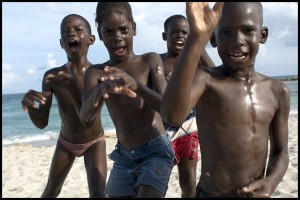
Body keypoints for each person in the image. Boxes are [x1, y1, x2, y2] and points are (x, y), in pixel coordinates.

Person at [161, 2, 290, 198]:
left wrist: (270, 183)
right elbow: (172, 116)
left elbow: (281, 152)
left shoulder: (278, 91)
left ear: (262, 35)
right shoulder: (206, 81)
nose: (237, 40)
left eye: (247, 30)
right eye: (226, 32)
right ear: (213, 39)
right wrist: (196, 38)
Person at [80, 2, 174, 198]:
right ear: (99, 33)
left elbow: (169, 110)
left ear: (134, 28)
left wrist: (137, 86)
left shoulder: (149, 61)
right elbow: (85, 117)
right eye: (109, 32)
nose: (117, 38)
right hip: (124, 157)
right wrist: (99, 91)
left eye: (123, 30)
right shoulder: (96, 73)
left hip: (155, 149)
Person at [21, 14, 107, 198]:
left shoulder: (99, 74)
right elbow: (42, 123)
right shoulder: (52, 77)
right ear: (61, 43)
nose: (71, 33)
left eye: (77, 30)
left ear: (91, 39)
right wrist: (30, 107)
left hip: (94, 142)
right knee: (51, 191)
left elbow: (88, 119)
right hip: (66, 142)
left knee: (98, 194)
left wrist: (72, 85)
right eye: (65, 31)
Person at [160, 14, 215, 198]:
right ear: (164, 36)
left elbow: (217, 77)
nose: (179, 36)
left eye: (185, 32)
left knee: (188, 182)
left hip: (189, 128)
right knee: (158, 181)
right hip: (162, 131)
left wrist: (198, 47)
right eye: (174, 32)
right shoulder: (157, 62)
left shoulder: (195, 62)